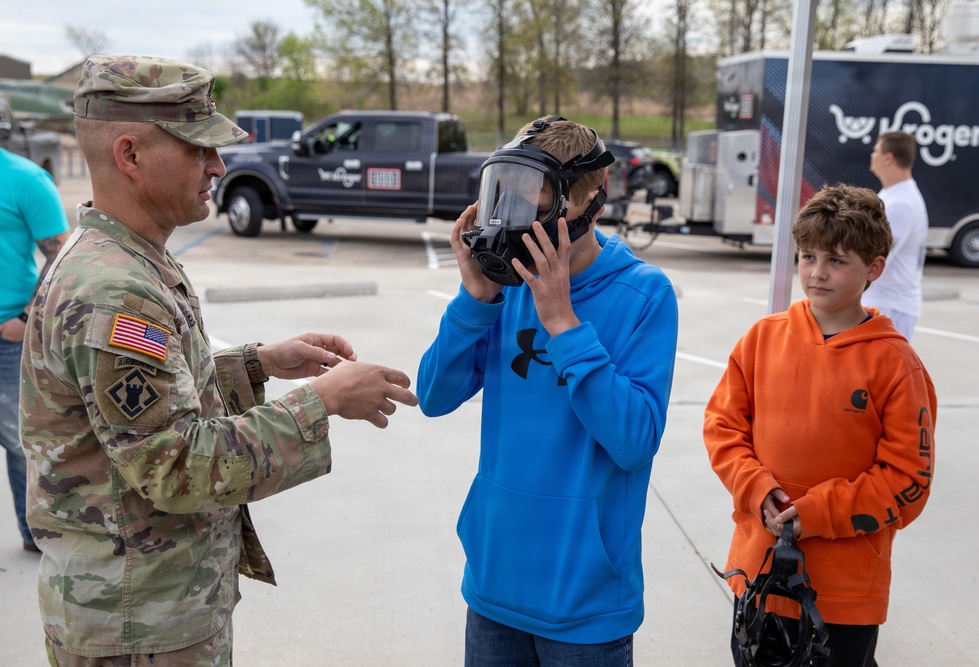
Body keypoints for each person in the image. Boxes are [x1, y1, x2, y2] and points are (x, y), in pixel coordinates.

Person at [18, 54, 418, 666]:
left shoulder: (119, 257)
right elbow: (175, 464)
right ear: (129, 155)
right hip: (138, 627)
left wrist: (255, 364)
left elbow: (139, 410)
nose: (219, 167)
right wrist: (325, 400)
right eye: (198, 149)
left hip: (142, 612)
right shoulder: (116, 290)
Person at [418, 115, 679, 665]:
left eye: (534, 207)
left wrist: (562, 322)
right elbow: (434, 396)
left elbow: (634, 441)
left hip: (584, 606)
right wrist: (474, 300)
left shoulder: (644, 294)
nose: (513, 222)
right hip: (494, 587)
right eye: (504, 199)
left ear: (588, 207)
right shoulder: (505, 286)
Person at [704, 184, 936, 666]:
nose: (817, 273)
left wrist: (819, 514)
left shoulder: (895, 364)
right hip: (760, 572)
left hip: (844, 592)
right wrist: (754, 486)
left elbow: (909, 479)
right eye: (807, 256)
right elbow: (722, 426)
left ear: (874, 268)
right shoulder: (762, 339)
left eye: (836, 260)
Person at [0, 144, 70, 553]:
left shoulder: (25, 179)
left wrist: (25, 318)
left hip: (7, 335)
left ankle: (37, 536)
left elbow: (61, 255)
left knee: (20, 441)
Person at [863, 131, 929, 341]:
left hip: (891, 307)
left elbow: (876, 255)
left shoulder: (901, 203)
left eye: (875, 150)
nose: (872, 155)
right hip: (886, 303)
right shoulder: (894, 195)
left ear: (888, 158)